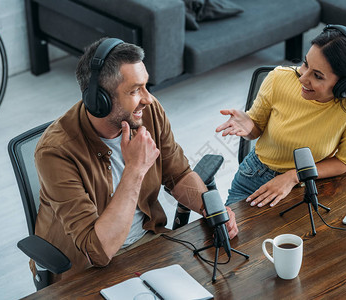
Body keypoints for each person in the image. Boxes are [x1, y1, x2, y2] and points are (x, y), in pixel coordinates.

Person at [33, 38, 238, 283]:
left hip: (148, 242)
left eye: (145, 86)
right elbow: (97, 252)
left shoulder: (147, 113)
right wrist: (135, 169)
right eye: (134, 90)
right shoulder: (55, 151)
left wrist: (210, 210)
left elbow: (179, 174)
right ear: (99, 100)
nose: (147, 99)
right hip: (85, 269)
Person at [216, 25, 346, 208]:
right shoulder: (278, 79)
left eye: (317, 76)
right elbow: (255, 131)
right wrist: (249, 127)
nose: (302, 78)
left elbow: (344, 161)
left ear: (345, 85)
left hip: (308, 184)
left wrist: (293, 176)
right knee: (229, 234)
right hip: (255, 177)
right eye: (306, 63)